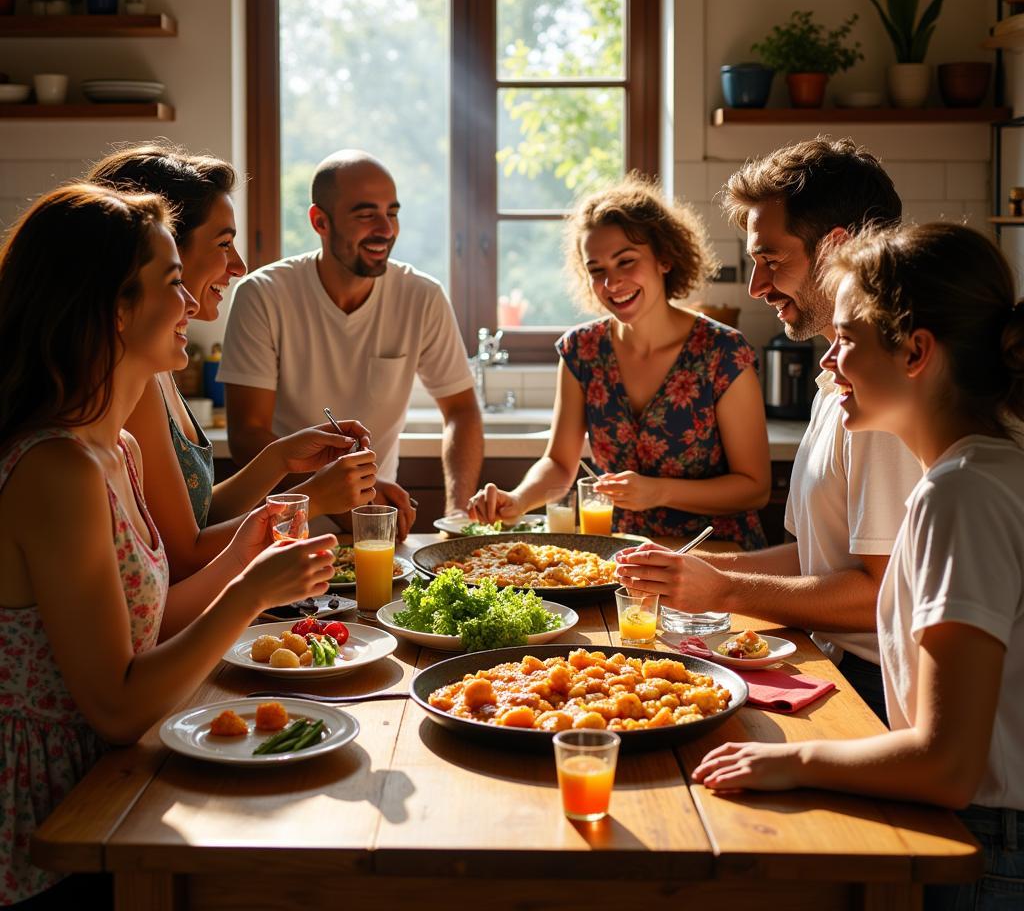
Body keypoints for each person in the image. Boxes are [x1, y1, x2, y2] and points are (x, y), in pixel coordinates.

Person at [0, 183, 337, 907]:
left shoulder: (114, 448)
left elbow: (146, 628)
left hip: (114, 787)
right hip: (51, 827)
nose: (191, 306)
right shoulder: (55, 469)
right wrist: (249, 594)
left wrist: (243, 553)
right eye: (173, 285)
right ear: (114, 311)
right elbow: (118, 708)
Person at [692, 222, 1024, 909]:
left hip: (988, 843)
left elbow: (948, 764)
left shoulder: (960, 495)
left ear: (915, 352)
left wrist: (793, 759)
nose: (826, 362)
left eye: (846, 338)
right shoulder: (978, 474)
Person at [615, 138, 920, 723]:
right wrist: (684, 573)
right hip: (831, 660)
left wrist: (726, 591)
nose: (756, 285)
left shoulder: (884, 395)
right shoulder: (839, 375)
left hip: (884, 690)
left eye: (772, 259)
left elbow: (879, 592)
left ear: (838, 249)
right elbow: (819, 561)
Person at [87, 144, 377, 579]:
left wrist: (280, 458)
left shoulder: (162, 366)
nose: (239, 265)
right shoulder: (134, 376)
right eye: (224, 243)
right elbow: (184, 554)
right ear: (163, 249)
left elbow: (197, 516)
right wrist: (310, 500)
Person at [468, 173, 770, 549]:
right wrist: (518, 499)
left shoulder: (723, 352)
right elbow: (560, 465)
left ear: (664, 258)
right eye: (597, 270)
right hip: (621, 556)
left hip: (716, 555)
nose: (612, 284)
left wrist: (658, 492)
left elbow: (754, 488)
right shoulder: (582, 351)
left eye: (626, 261)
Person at [218, 149, 482, 540]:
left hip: (376, 525)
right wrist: (342, 500)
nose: (386, 229)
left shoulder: (421, 296)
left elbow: (461, 411)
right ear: (319, 221)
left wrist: (458, 515)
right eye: (365, 215)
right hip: (283, 530)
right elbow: (247, 433)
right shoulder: (263, 294)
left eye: (392, 213)